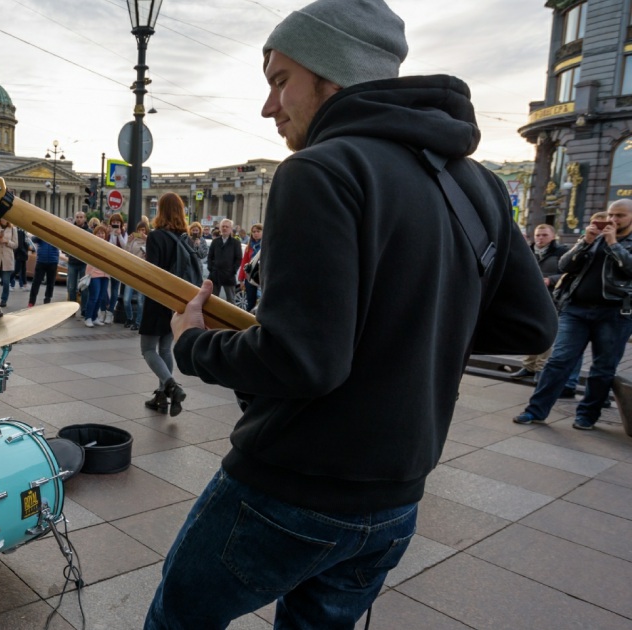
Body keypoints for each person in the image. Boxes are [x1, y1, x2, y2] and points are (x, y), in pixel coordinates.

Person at [146, 1, 557, 627]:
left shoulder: (320, 170)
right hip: (396, 498)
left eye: (281, 81)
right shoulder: (475, 183)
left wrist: (192, 344)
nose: (269, 106)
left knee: (179, 618)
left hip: (291, 485)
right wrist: (411, 331)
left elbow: (302, 359)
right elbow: (532, 327)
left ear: (331, 77)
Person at [514, 200, 632, 430]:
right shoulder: (593, 238)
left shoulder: (619, 241)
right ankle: (535, 411)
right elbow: (565, 264)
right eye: (610, 214)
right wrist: (585, 242)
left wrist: (613, 243)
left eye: (620, 216)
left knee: (602, 368)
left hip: (615, 312)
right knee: (558, 360)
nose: (613, 220)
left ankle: (587, 415)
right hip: (576, 309)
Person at [139, 194, 190, 416]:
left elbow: (153, 272)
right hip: (177, 301)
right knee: (165, 349)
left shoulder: (156, 236)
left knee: (148, 349)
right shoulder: (185, 237)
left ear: (160, 210)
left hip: (157, 299)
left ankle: (171, 386)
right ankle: (161, 397)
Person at [511, 223, 570, 380]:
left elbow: (569, 274)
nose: (540, 238)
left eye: (544, 235)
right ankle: (528, 367)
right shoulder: (527, 250)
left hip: (551, 298)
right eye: (538, 235)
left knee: (545, 333)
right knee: (530, 332)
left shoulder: (562, 252)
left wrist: (551, 280)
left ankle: (540, 368)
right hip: (530, 297)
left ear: (553, 236)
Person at [84, 223, 112, 327]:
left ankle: (95, 317)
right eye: (98, 233)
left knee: (100, 297)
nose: (101, 235)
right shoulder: (92, 244)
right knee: (94, 296)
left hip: (105, 274)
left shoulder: (108, 245)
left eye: (102, 233)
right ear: (94, 234)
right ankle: (88, 317)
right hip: (94, 273)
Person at [207, 219, 242, 302]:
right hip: (215, 274)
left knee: (231, 300)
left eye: (227, 227)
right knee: (213, 300)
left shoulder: (235, 243)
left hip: (229, 275)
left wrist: (233, 270)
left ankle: (230, 315)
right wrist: (211, 269)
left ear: (231, 229)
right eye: (223, 226)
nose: (225, 228)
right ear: (220, 228)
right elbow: (210, 256)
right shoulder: (215, 242)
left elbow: (238, 259)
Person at [123, 220, 149, 330]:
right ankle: (129, 318)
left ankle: (138, 322)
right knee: (126, 299)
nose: (141, 232)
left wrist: (147, 240)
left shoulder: (149, 240)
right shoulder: (133, 241)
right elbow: (127, 254)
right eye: (139, 230)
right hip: (132, 272)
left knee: (140, 301)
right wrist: (128, 242)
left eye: (143, 230)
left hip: (142, 273)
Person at [0, 217, 17, 308]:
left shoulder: (13, 229)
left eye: (5, 218)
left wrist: (6, 241)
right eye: (2, 218)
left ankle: (4, 300)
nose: (3, 220)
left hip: (7, 257)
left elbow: (16, 245)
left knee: (5, 281)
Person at [66, 211, 91, 310]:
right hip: (72, 262)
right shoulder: (71, 230)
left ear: (85, 219)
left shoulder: (89, 231)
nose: (79, 219)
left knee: (84, 288)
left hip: (84, 263)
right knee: (71, 288)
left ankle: (84, 309)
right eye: (77, 217)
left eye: (81, 217)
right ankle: (72, 309)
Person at [106, 214, 127, 324]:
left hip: (118, 263)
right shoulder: (108, 232)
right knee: (103, 288)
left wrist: (119, 236)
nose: (116, 224)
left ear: (121, 223)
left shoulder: (123, 233)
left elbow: (125, 247)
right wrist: (109, 234)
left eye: (118, 222)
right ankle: (105, 308)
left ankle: (110, 312)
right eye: (114, 222)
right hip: (107, 263)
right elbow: (107, 246)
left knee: (114, 288)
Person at [28, 233, 60, 308]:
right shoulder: (42, 231)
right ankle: (31, 302)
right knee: (36, 282)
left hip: (53, 261)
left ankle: (47, 301)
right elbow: (33, 239)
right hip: (41, 261)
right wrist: (40, 235)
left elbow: (61, 244)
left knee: (50, 283)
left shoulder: (56, 233)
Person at [239, 223, 263, 312]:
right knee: (250, 303)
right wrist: (241, 279)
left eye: (258, 231)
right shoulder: (249, 247)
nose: (256, 233)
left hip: (262, 278)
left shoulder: (265, 246)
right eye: (254, 232)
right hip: (250, 278)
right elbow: (244, 263)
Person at [12, 226, 30, 291]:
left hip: (22, 254)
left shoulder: (23, 232)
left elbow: (25, 243)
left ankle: (24, 285)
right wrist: (25, 252)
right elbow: (20, 245)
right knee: (17, 270)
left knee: (23, 270)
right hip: (20, 254)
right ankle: (8, 282)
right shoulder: (20, 231)